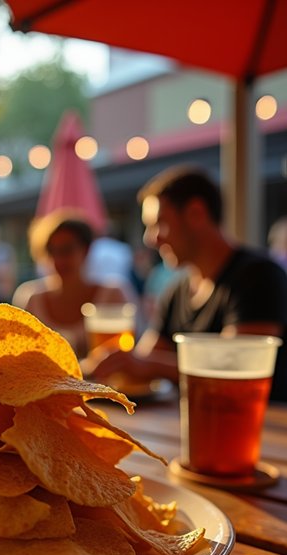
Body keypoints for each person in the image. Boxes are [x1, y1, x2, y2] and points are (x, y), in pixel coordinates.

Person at [92, 166, 287, 401]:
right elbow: (143, 361)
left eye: (159, 223)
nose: (150, 238)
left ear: (196, 213)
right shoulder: (177, 290)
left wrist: (151, 365)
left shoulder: (259, 276)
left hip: (265, 428)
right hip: (192, 424)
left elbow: (236, 366)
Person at [12, 209, 133, 359]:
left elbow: (129, 354)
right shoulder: (30, 297)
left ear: (86, 250)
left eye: (66, 250)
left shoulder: (113, 293)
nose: (59, 260)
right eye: (52, 251)